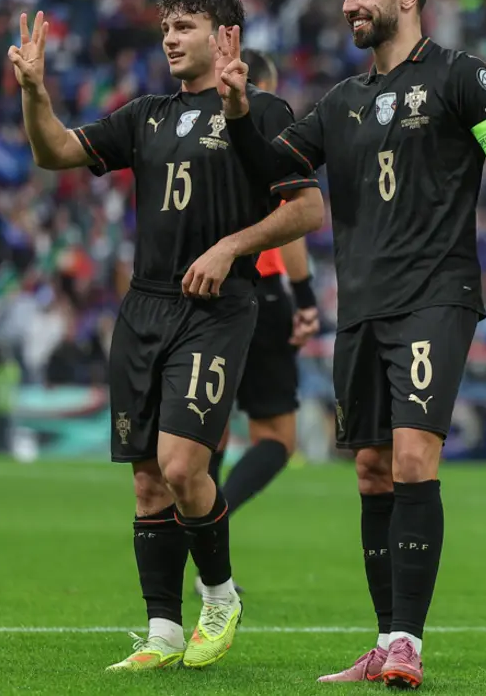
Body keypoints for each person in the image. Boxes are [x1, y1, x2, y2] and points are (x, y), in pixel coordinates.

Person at [208, 0, 486, 688]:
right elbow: (272, 171)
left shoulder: (464, 78)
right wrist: (240, 108)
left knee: (413, 456)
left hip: (437, 295)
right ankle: (384, 642)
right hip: (364, 308)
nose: (349, 2)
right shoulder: (340, 103)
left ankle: (409, 640)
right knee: (373, 470)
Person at [8, 0, 323, 671]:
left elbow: (305, 212)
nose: (171, 38)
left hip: (218, 309)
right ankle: (162, 631)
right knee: (148, 480)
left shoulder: (264, 110)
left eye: (185, 26)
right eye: (166, 29)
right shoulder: (146, 115)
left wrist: (231, 246)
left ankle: (220, 595)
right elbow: (53, 152)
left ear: (225, 37)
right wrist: (35, 90)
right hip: (144, 306)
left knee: (185, 466)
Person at [201, 49, 321, 596]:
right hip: (261, 289)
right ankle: (213, 521)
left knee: (208, 427)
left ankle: (206, 560)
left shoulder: (192, 134)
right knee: (277, 437)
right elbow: (288, 223)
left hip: (199, 287)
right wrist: (303, 296)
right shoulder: (267, 121)